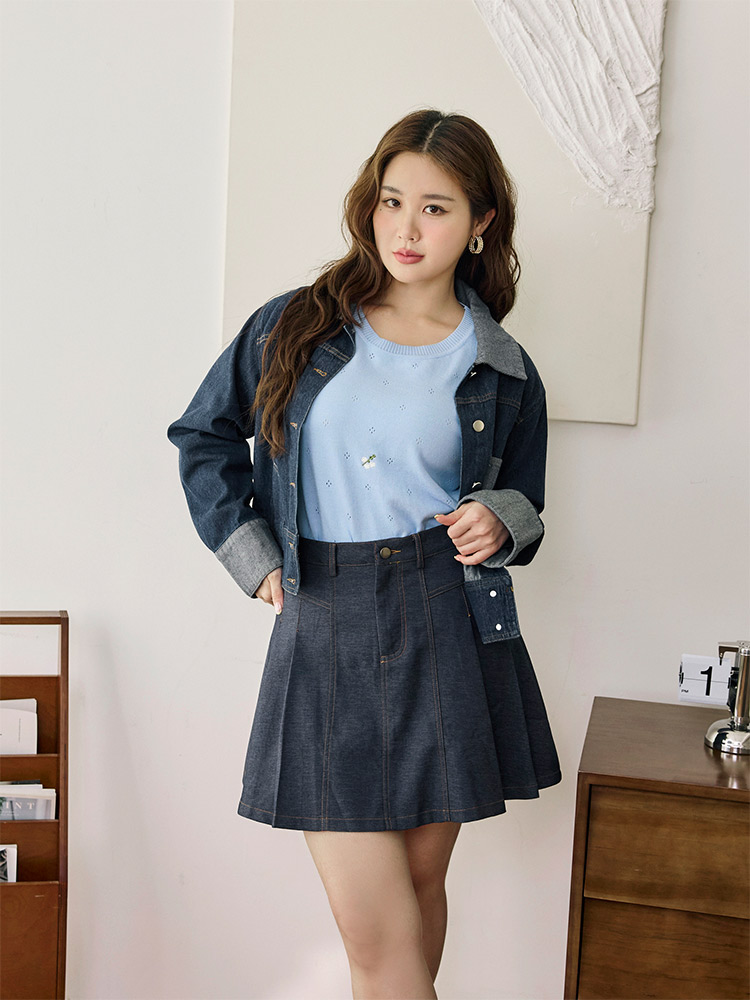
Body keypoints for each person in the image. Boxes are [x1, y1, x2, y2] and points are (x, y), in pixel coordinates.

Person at [167, 108, 562, 1000]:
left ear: (480, 222)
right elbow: (203, 435)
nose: (406, 228)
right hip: (326, 614)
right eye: (392, 201)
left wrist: (498, 520)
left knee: (416, 899)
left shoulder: (504, 367)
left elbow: (526, 501)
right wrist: (253, 555)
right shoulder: (297, 325)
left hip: (446, 617)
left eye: (435, 208)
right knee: (376, 932)